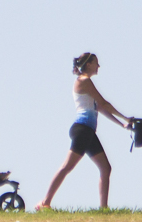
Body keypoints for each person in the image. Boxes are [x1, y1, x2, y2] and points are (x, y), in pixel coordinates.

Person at [37, 52, 130, 210]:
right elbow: (104, 103)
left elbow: (100, 107)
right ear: (88, 64)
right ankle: (45, 203)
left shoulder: (86, 82)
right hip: (82, 129)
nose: (98, 66)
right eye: (96, 63)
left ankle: (103, 208)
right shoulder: (84, 81)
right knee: (67, 166)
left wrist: (122, 124)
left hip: (88, 131)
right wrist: (126, 118)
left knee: (105, 168)